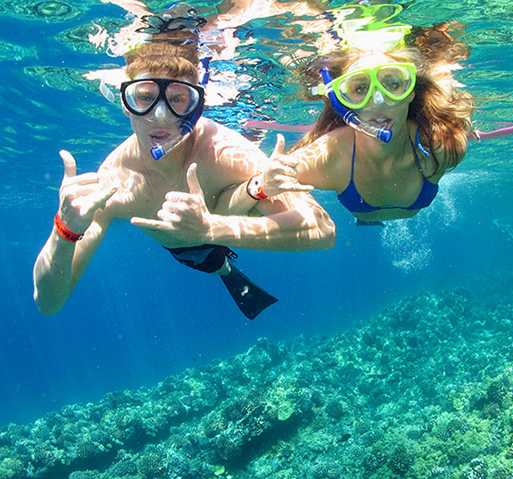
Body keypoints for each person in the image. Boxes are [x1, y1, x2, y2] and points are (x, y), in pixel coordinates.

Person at [33, 34, 336, 320]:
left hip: (225, 216)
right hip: (184, 249)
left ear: (197, 106)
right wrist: (64, 231)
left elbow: (324, 230)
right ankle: (227, 270)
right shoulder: (115, 180)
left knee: (259, 189)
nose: (161, 115)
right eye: (145, 97)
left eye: (178, 99)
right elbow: (48, 303)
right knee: (211, 262)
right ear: (126, 104)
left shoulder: (224, 150)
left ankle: (252, 193)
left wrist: (209, 227)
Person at [245, 22, 475, 227]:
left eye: (393, 83)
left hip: (366, 207)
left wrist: (456, 120)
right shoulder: (326, 158)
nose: (378, 101)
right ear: (342, 100)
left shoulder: (441, 146)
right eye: (360, 88)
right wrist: (261, 186)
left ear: (411, 91)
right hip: (363, 210)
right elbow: (246, 204)